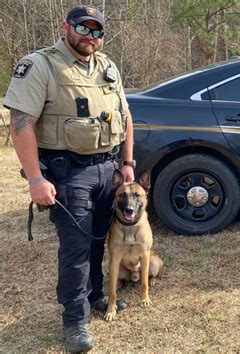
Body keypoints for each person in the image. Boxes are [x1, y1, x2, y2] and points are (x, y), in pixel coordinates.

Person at [4, 5, 134, 352]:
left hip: (107, 169)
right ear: (66, 27)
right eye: (83, 28)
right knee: (75, 248)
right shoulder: (40, 64)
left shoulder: (107, 66)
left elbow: (125, 115)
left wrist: (127, 162)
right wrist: (35, 178)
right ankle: (75, 320)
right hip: (67, 173)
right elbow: (20, 123)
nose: (90, 36)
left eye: (97, 31)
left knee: (98, 239)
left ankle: (94, 296)